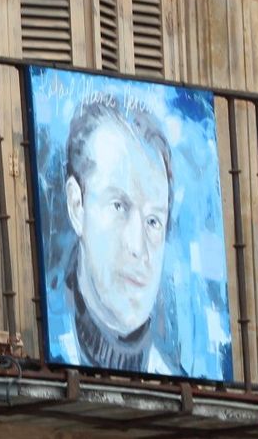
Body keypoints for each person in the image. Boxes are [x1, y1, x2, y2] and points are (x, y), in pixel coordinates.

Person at [51, 94, 180, 374]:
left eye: (153, 221)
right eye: (119, 206)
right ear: (76, 206)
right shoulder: (53, 343)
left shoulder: (170, 374)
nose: (138, 246)